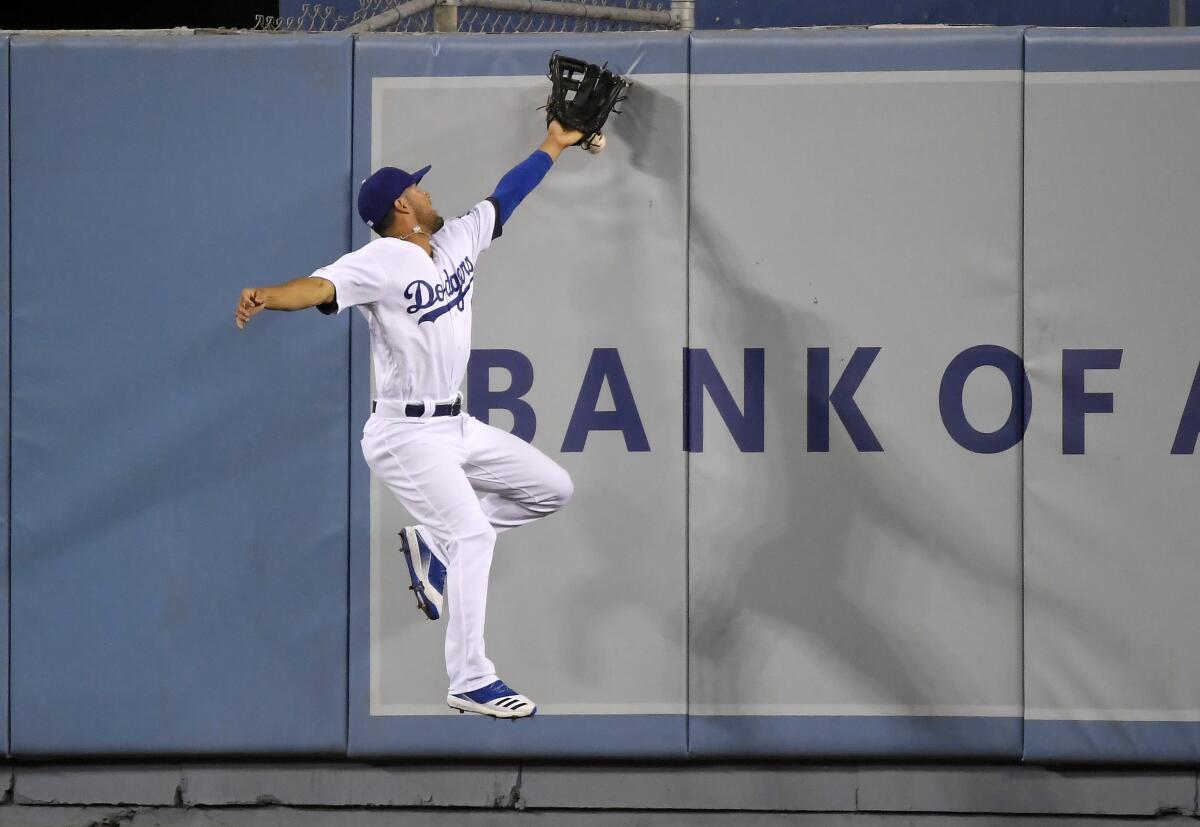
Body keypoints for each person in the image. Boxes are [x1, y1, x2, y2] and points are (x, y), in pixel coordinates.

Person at [235, 120, 588, 719]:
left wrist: (553, 143)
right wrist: (270, 294)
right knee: (475, 533)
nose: (428, 192)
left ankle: (435, 544)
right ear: (403, 205)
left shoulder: (454, 241)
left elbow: (506, 196)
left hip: (455, 424)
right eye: (419, 189)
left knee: (552, 489)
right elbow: (318, 286)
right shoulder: (380, 261)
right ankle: (471, 678)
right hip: (404, 434)